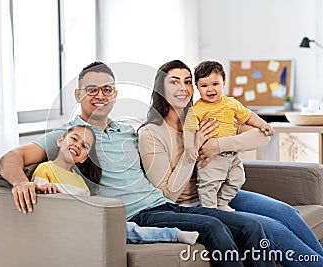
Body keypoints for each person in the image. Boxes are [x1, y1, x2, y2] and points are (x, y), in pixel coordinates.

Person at [0, 61, 276, 266]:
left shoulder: (129, 130)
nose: (100, 95)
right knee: (214, 228)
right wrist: (21, 182)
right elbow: (12, 158)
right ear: (78, 95)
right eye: (91, 89)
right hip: (134, 215)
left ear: (115, 94)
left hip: (165, 205)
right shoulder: (69, 135)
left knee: (250, 226)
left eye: (107, 89)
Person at [138, 59, 323, 267]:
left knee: (286, 212)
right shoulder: (151, 133)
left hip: (222, 193)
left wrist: (218, 145)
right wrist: (193, 150)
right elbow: (166, 194)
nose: (182, 87)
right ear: (160, 88)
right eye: (174, 82)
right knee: (272, 227)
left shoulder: (209, 114)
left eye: (187, 81)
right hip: (192, 205)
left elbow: (261, 136)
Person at [32, 124, 199, 245]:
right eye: (74, 139)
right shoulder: (46, 168)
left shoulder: (80, 179)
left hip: (86, 222)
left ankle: (175, 234)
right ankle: (174, 235)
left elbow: (88, 204)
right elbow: (38, 184)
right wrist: (47, 187)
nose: (77, 145)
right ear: (60, 140)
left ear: (84, 158)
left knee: (129, 229)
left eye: (84, 146)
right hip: (67, 224)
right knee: (127, 231)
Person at [182, 60, 274, 212]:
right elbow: (189, 131)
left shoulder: (232, 103)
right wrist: (191, 147)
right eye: (204, 86)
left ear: (224, 82)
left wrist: (262, 124)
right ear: (197, 87)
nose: (210, 89)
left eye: (215, 84)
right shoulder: (196, 110)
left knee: (238, 178)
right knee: (208, 184)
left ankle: (221, 203)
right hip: (210, 157)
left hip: (232, 154)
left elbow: (248, 116)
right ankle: (210, 209)